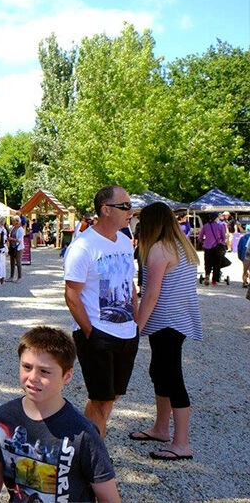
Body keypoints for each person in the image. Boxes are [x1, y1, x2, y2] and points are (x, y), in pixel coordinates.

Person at [0, 326, 119, 502]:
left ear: (67, 376)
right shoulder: (4, 418)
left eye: (44, 371)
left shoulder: (83, 433)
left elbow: (108, 496)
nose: (33, 377)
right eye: (27, 367)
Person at [64, 185, 138, 437]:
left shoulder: (127, 242)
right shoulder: (83, 246)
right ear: (105, 210)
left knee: (112, 396)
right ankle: (93, 461)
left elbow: (131, 285)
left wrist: (136, 322)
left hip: (127, 332)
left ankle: (85, 446)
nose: (131, 210)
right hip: (98, 333)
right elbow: (72, 294)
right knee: (101, 399)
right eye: (125, 206)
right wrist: (90, 332)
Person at [129, 202, 202, 462]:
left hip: (168, 322)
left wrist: (136, 326)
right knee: (159, 371)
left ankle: (182, 442)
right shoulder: (181, 246)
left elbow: (151, 292)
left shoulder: (159, 249)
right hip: (175, 321)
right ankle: (161, 428)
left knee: (171, 377)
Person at [199, 213, 227, 286]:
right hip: (217, 247)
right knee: (216, 264)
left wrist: (204, 242)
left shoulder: (205, 226)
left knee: (207, 263)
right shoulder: (220, 226)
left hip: (207, 247)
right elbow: (224, 238)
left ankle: (207, 275)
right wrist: (221, 242)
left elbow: (200, 237)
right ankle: (214, 281)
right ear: (215, 218)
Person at [8, 216, 25, 283]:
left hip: (18, 247)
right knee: (12, 262)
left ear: (17, 221)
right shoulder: (13, 228)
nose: (12, 222)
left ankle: (19, 277)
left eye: (13, 221)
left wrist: (12, 239)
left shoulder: (21, 229)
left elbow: (20, 240)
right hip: (12, 247)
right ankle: (11, 276)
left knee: (18, 262)